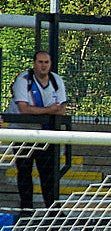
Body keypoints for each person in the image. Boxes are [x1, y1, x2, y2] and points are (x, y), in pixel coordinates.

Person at [7, 51, 67, 214]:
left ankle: (53, 210)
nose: (43, 65)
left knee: (48, 173)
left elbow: (61, 109)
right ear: (34, 63)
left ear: (50, 64)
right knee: (24, 171)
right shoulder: (24, 80)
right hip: (23, 133)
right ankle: (26, 209)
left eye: (46, 62)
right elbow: (24, 109)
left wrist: (41, 111)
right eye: (40, 62)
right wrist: (49, 110)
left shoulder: (56, 80)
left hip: (45, 134)